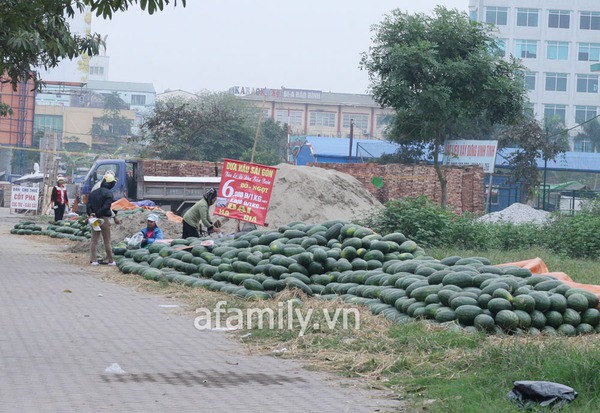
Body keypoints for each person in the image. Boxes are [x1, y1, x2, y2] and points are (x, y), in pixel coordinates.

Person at [87, 172, 121, 266]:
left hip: (94, 218)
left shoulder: (93, 193)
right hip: (104, 218)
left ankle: (93, 260)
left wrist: (92, 214)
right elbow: (106, 207)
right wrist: (99, 214)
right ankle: (110, 260)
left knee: (94, 240)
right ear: (110, 184)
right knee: (107, 240)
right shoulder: (109, 193)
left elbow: (88, 205)